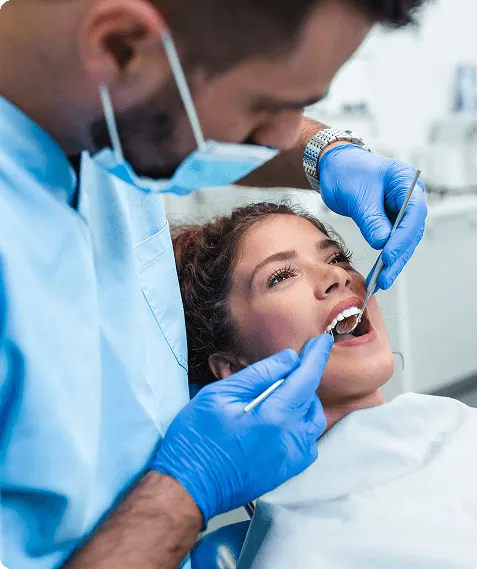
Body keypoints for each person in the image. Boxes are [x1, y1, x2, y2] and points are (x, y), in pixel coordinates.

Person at [0, 0, 429, 568]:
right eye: (265, 106)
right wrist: (189, 488)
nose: (281, 136)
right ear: (122, 47)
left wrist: (328, 153)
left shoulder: (99, 121)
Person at [173, 202, 477, 569]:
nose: (337, 277)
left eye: (337, 256)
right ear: (233, 367)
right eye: (281, 276)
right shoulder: (305, 551)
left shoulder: (456, 427)